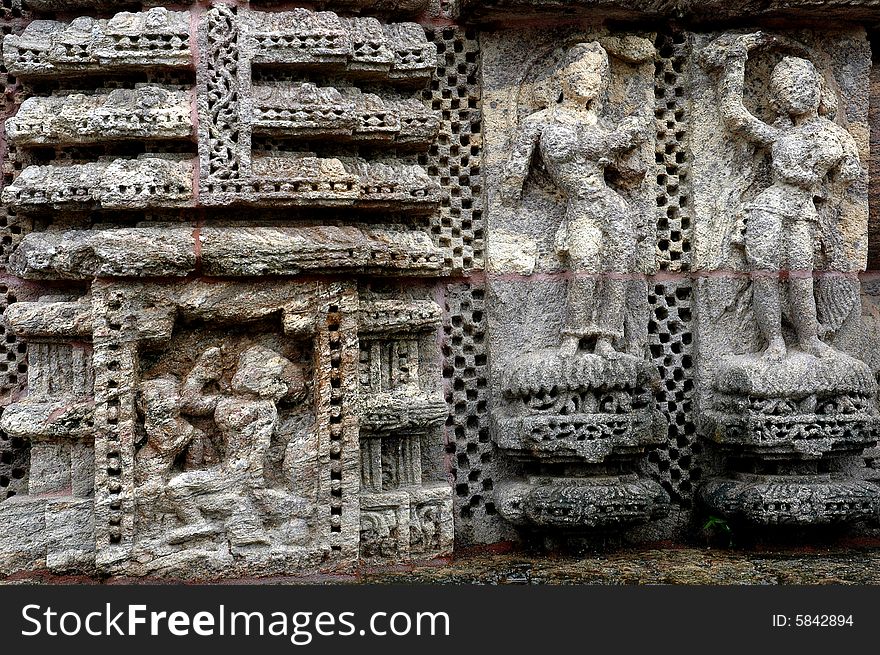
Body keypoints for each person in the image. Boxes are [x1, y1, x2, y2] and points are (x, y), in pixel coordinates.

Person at [701, 32, 863, 360]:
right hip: (769, 208)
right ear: (779, 101)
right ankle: (774, 340)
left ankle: (809, 338)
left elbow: (847, 175)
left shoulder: (838, 135)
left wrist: (846, 166)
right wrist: (736, 59)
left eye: (803, 83)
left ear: (819, 87)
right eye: (787, 89)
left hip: (805, 211)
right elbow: (735, 116)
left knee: (802, 278)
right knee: (765, 276)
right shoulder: (780, 135)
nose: (797, 92)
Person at [501, 41, 649, 359]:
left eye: (598, 72)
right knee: (585, 264)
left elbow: (628, 173)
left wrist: (626, 139)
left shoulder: (597, 125)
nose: (590, 78)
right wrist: (510, 201)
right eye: (583, 69)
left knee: (618, 268)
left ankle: (607, 339)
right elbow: (513, 173)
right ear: (563, 74)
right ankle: (572, 333)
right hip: (579, 205)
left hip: (610, 206)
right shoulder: (539, 122)